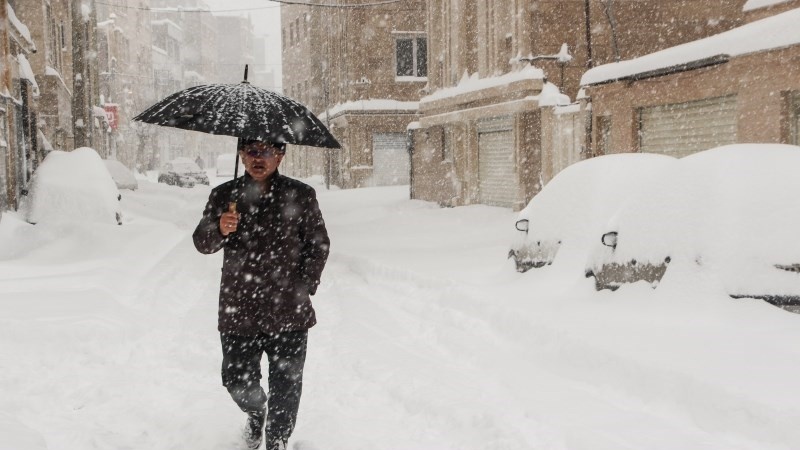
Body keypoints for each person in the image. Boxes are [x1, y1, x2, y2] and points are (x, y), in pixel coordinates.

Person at [192, 139, 330, 450]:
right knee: (238, 383)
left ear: (280, 155)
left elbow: (318, 244)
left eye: (268, 151)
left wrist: (303, 285)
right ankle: (256, 413)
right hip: (239, 310)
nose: (260, 158)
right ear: (241, 154)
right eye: (253, 151)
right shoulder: (224, 195)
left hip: (289, 312)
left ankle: (277, 439)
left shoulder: (301, 195)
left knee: (287, 386)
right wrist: (219, 228)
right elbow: (202, 243)